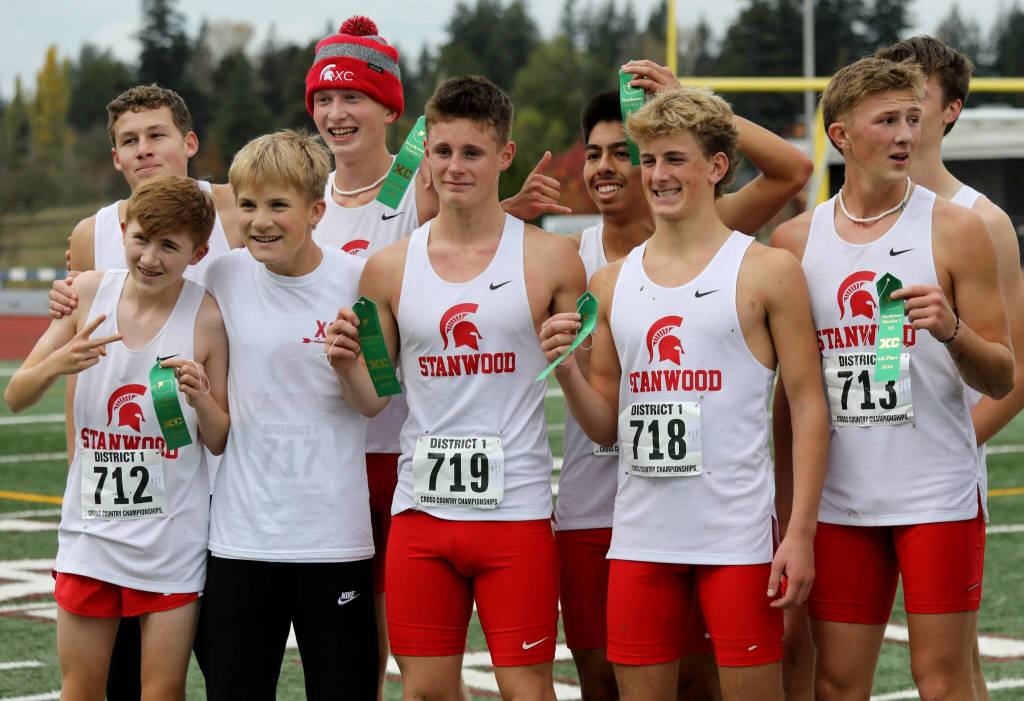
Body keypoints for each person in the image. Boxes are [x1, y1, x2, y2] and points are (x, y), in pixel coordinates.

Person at [304, 17, 571, 698]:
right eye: (443, 151)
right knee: (422, 690)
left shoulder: (551, 260)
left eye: (473, 153)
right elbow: (377, 396)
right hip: (421, 514)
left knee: (527, 690)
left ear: (504, 153)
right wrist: (345, 364)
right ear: (425, 154)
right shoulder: (387, 270)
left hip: (513, 517)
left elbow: (595, 399)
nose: (455, 166)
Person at [540, 86, 829, 701]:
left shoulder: (767, 269)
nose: (657, 175)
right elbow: (605, 428)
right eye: (649, 161)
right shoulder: (610, 284)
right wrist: (564, 369)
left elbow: (807, 404)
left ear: (717, 167)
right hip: (640, 542)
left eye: (674, 159)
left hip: (738, 541)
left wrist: (799, 532)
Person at [770, 56, 1013, 700]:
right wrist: (790, 514)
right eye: (887, 121)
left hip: (936, 494)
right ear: (842, 135)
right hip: (841, 502)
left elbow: (1003, 375)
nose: (905, 135)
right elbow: (787, 400)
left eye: (912, 118)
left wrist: (953, 329)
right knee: (837, 684)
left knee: (941, 683)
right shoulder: (795, 242)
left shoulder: (958, 229)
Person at [49, 84, 241, 701]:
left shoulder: (239, 209)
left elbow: (350, 217)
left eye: (157, 135)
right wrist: (78, 454)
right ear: (114, 158)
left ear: (189, 143)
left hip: (226, 475)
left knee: (228, 669)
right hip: (131, 492)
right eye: (129, 141)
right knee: (127, 678)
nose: (144, 150)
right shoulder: (94, 233)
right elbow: (79, 358)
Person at [4, 175, 230, 700]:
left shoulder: (207, 318)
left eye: (168, 246)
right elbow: (17, 394)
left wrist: (200, 398)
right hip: (91, 535)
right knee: (81, 690)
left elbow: (218, 440)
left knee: (161, 691)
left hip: (171, 540)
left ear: (196, 253)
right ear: (124, 230)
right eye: (142, 239)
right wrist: (59, 362)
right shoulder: (87, 293)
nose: (150, 257)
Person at [192, 129, 380, 699]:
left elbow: (377, 399)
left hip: (332, 538)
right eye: (248, 205)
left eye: (278, 205)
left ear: (317, 210)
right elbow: (147, 279)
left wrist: (348, 366)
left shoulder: (360, 280)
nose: (260, 221)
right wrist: (79, 287)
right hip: (241, 539)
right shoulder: (223, 276)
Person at [875, 36, 1024, 700]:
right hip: (857, 468)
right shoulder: (851, 218)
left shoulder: (980, 221)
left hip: (939, 475)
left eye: (919, 96)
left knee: (950, 666)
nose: (903, 107)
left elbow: (1014, 370)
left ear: (951, 111)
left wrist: (942, 447)